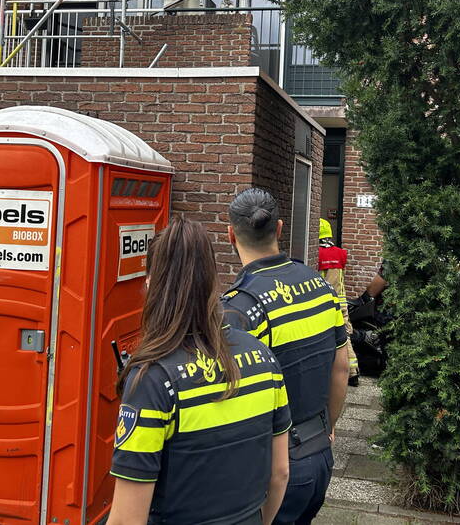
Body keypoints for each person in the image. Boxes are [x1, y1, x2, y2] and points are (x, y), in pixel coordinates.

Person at [108, 217, 291, 525]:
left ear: (151, 283)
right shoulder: (264, 356)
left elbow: (127, 519)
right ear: (213, 281)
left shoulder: (153, 380)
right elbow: (280, 473)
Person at [222, 189, 350, 525]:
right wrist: (328, 428)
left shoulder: (240, 309)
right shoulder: (321, 287)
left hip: (271, 470)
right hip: (319, 456)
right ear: (279, 229)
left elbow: (232, 400)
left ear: (231, 234)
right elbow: (340, 368)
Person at [317, 218, 360, 386]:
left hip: (324, 300)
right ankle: (353, 371)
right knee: (344, 335)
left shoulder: (318, 254)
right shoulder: (340, 253)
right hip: (341, 302)